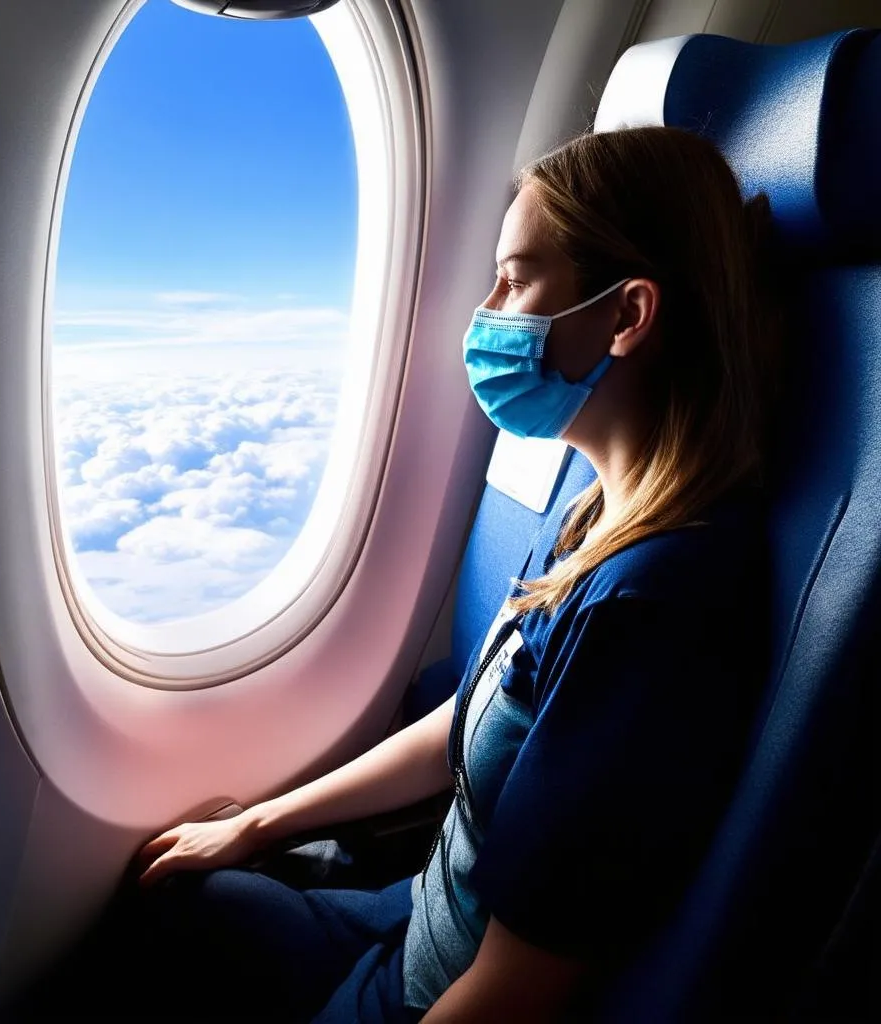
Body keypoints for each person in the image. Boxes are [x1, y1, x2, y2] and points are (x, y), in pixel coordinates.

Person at [129, 124, 780, 1023]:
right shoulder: (594, 513)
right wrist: (257, 823)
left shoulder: (649, 607)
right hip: (406, 921)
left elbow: (518, 990)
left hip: (428, 993)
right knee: (164, 905)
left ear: (626, 316)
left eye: (515, 278)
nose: (488, 309)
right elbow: (463, 727)